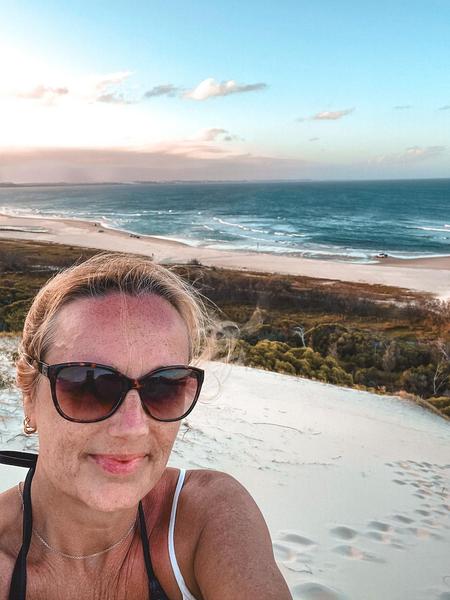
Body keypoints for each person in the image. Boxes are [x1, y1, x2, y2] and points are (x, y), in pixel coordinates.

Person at [0, 253, 292, 599]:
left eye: (163, 386)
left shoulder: (203, 517)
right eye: (89, 385)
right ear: (29, 394)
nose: (133, 428)